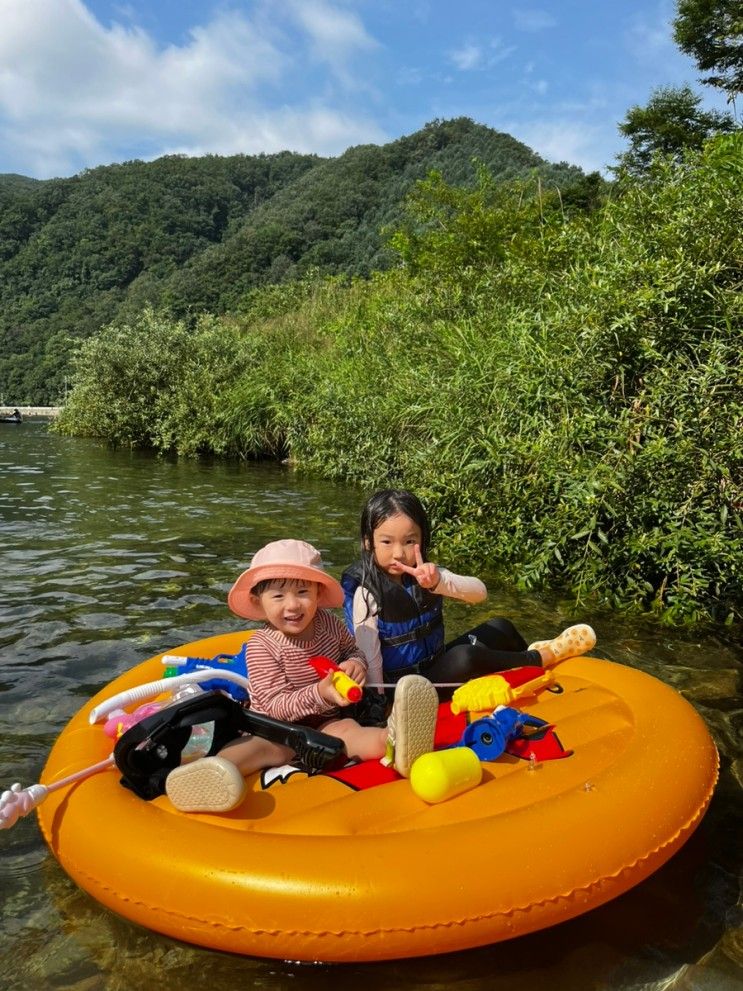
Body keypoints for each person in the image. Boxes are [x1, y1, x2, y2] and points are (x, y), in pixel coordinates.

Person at [165, 538, 438, 813]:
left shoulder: (328, 624)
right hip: (277, 730)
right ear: (258, 602)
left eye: (303, 592)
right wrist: (320, 693)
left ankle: (394, 741)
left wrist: (357, 665)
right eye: (278, 596)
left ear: (319, 594)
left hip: (327, 721)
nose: (293, 605)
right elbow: (274, 707)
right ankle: (212, 774)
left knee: (350, 735)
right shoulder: (262, 646)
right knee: (258, 750)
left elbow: (352, 651)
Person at [341, 489, 596, 699]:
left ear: (422, 539)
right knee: (465, 657)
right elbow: (370, 658)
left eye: (409, 541)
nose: (399, 553)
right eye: (387, 542)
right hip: (403, 690)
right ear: (368, 542)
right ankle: (541, 657)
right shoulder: (366, 593)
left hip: (435, 665)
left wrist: (438, 581)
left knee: (501, 627)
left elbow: (479, 593)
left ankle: (524, 672)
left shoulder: (429, 574)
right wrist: (378, 703)